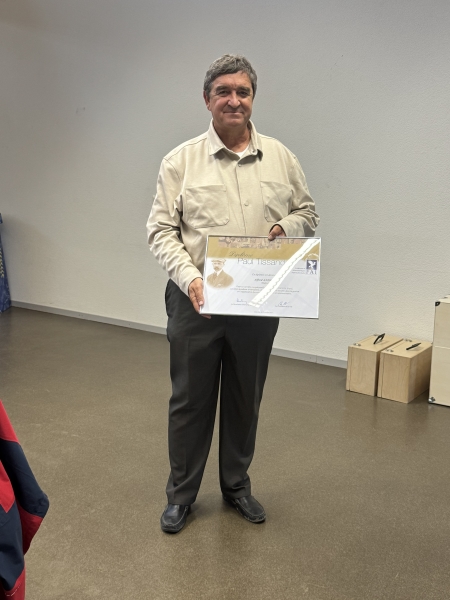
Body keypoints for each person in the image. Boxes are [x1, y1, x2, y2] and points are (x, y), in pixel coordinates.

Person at [147, 54, 319, 533]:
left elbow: (308, 212)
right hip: (196, 299)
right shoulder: (180, 162)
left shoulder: (281, 158)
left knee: (246, 397)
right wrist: (191, 279)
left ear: (253, 99)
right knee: (190, 402)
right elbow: (161, 231)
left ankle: (236, 486)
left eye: (243, 91)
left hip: (258, 300)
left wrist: (285, 227)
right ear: (207, 99)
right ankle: (181, 495)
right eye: (223, 91)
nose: (234, 100)